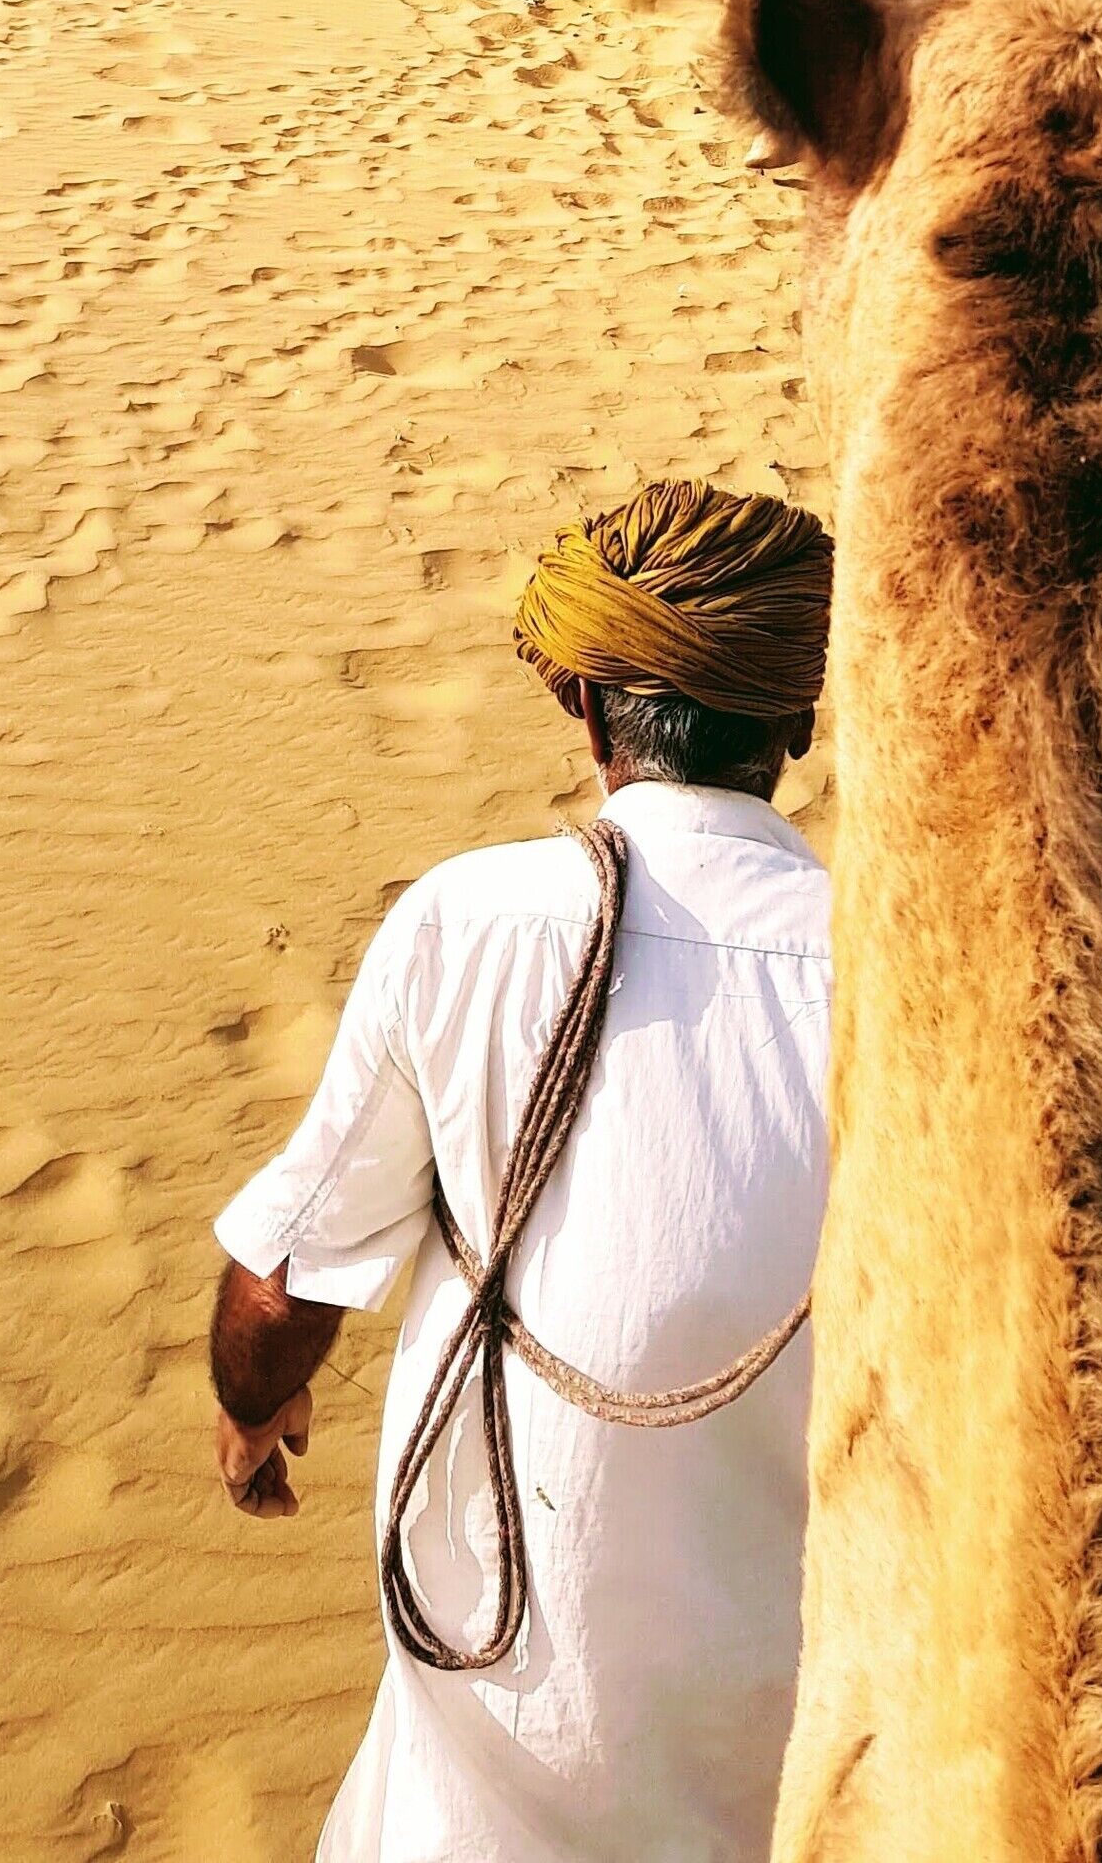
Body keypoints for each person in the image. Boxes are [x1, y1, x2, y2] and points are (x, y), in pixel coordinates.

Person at [210, 479, 834, 1863]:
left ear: (590, 710)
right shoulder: (903, 976)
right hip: (802, 1737)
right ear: (797, 721)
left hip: (488, 1717)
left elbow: (287, 1274)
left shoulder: (472, 922)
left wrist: (252, 1404)